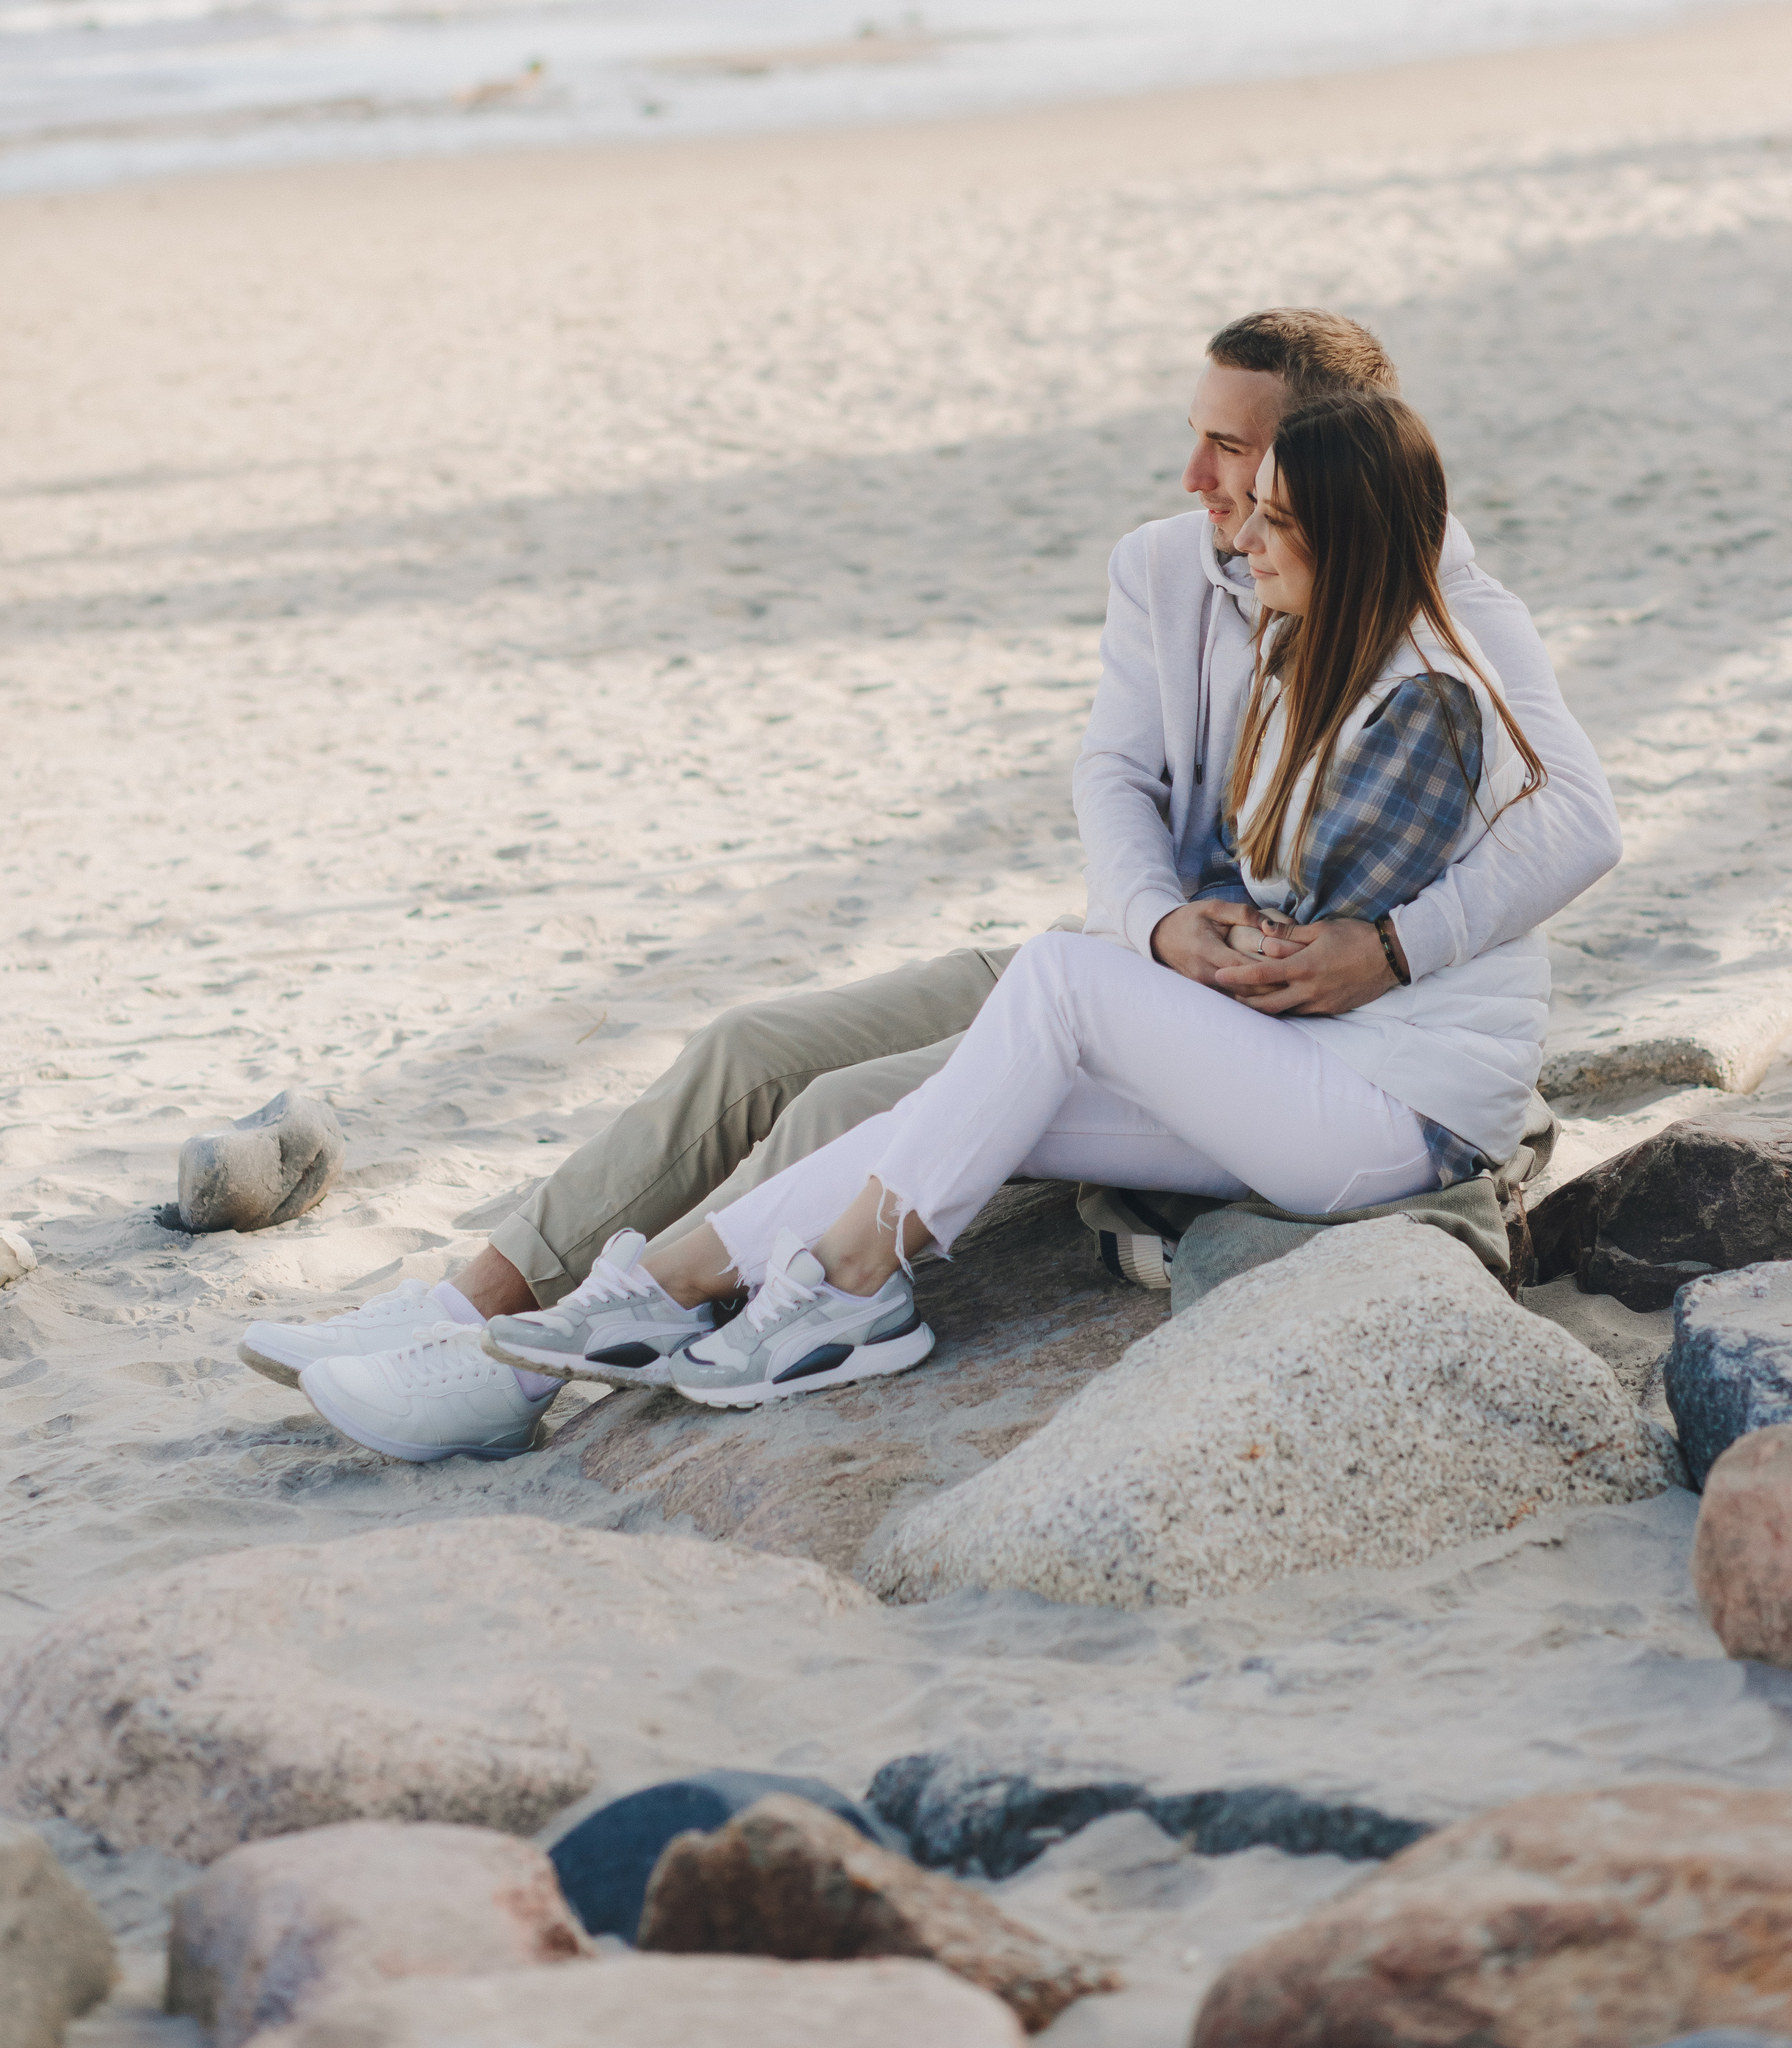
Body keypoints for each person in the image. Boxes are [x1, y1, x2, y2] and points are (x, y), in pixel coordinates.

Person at [253, 313, 1619, 1461]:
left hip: (1264, 1015)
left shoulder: (1436, 608)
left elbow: (1574, 820)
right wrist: (1155, 924)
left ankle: (551, 1362)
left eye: (1238, 453)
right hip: (1142, 956)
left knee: (859, 1103)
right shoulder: (1162, 566)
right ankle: (469, 1307)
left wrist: (1390, 948)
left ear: (1330, 466)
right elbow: (1112, 775)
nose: (1200, 478)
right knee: (754, 1045)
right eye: (1203, 441)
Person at [559, 390, 1561, 1409]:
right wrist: (1202, 932)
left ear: (1349, 541)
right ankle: (668, 1289)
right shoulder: (1307, 654)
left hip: (1407, 1113)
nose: (1244, 539)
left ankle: (854, 1286)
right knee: (973, 1104)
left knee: (1058, 976)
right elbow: (1249, 881)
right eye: (1255, 507)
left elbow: (1301, 940)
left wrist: (1192, 946)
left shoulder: (1428, 700)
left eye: (1279, 520)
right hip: (1329, 1076)